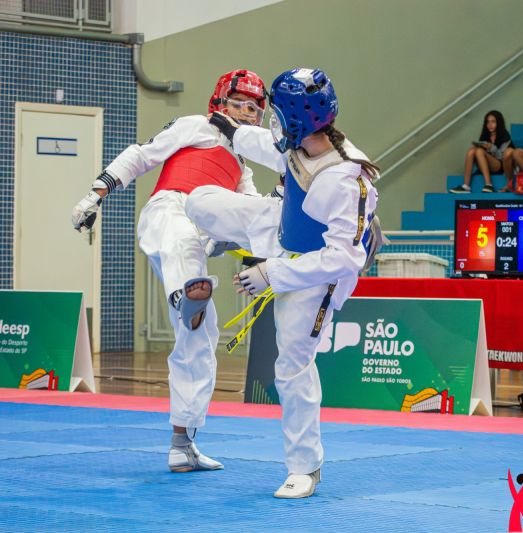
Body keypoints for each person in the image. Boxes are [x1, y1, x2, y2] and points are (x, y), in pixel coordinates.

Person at [185, 68, 380, 499]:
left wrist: (270, 274)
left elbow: (344, 257)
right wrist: (231, 130)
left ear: (295, 118)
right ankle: (234, 240)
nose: (271, 120)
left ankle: (304, 468)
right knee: (199, 201)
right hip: (282, 229)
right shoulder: (298, 143)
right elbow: (269, 148)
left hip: (319, 273)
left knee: (291, 367)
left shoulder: (347, 178)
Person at [71, 69, 267, 473]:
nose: (245, 114)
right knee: (182, 242)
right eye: (238, 105)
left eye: (253, 109)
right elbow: (142, 154)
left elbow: (254, 216)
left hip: (202, 235)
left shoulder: (243, 168)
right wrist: (95, 194)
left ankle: (183, 443)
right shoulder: (195, 126)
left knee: (201, 338)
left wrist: (258, 259)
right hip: (169, 211)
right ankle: (186, 294)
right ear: (220, 103)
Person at [449, 110, 514, 193]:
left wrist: (492, 148)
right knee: (471, 150)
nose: (490, 125)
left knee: (479, 151)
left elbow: (503, 157)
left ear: (499, 122)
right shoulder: (485, 135)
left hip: (500, 166)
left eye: (493, 122)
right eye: (488, 122)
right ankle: (466, 186)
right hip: (485, 164)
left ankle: (489, 185)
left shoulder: (505, 136)